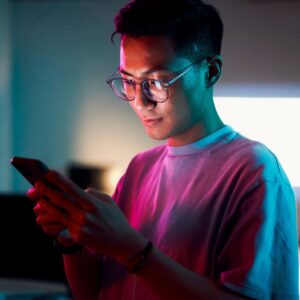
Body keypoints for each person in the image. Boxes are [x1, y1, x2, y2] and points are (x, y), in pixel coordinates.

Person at [27, 0, 299, 299]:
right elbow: (94, 292)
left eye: (156, 81)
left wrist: (131, 249)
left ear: (210, 71)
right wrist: (71, 238)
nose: (140, 101)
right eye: (129, 81)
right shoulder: (139, 168)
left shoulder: (252, 171)